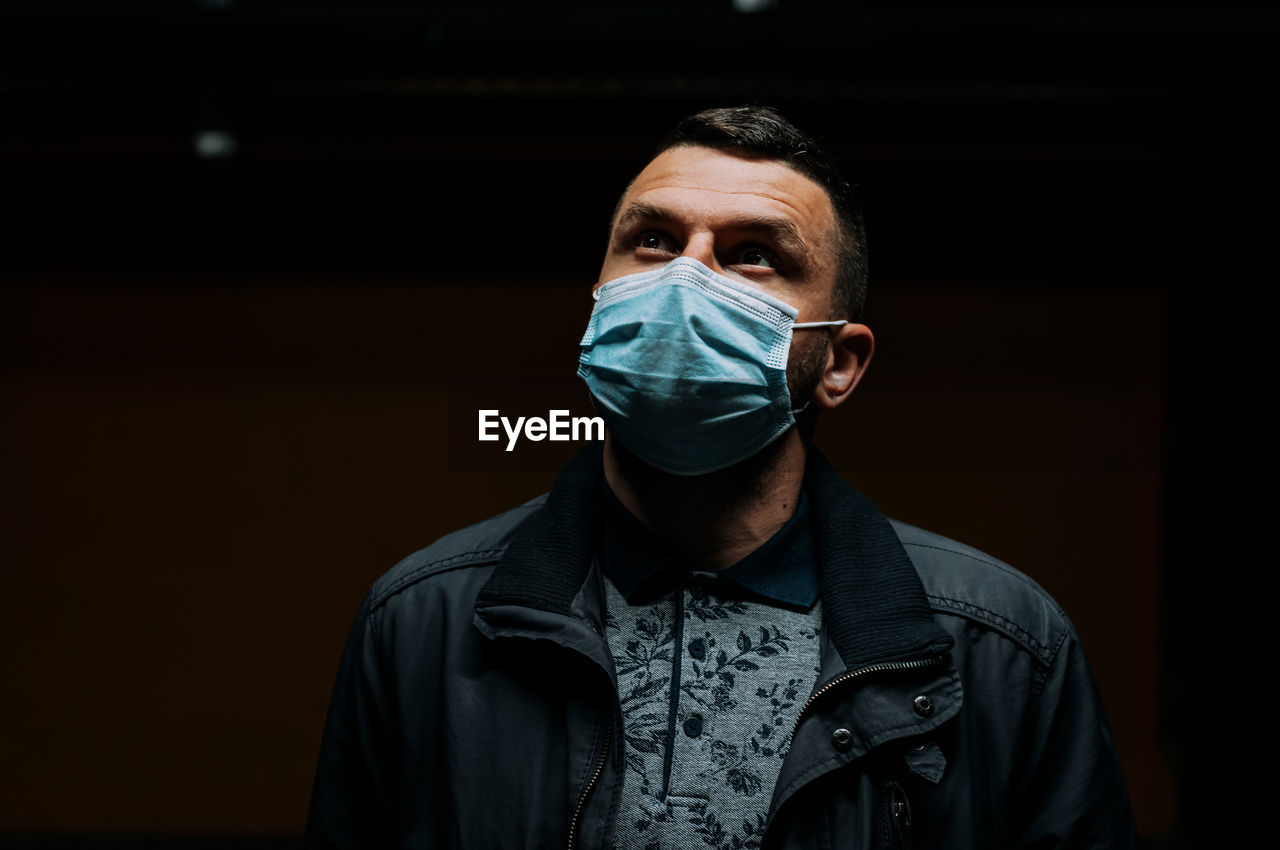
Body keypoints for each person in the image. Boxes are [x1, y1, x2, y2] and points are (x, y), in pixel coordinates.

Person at [304, 105, 1137, 849]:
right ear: (599, 298)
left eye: (752, 255)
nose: (684, 280)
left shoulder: (1002, 645)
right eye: (655, 240)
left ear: (839, 363)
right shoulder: (422, 622)